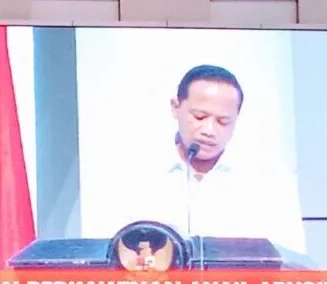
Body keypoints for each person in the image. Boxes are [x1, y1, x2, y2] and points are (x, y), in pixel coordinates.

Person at [116, 65, 308, 262]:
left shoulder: (269, 180)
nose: (209, 130)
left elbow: (294, 264)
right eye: (199, 117)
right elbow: (108, 256)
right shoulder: (138, 175)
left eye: (223, 122)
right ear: (175, 107)